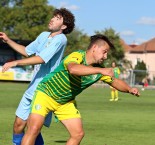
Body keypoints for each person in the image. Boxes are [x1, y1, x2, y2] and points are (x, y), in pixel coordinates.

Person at [21, 34, 140, 145]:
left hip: (64, 102)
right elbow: (73, 69)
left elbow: (115, 81)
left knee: (78, 134)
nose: (106, 56)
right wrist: (100, 71)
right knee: (34, 129)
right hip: (45, 94)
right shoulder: (77, 56)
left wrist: (129, 89)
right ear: (94, 48)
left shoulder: (99, 69)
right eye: (104, 52)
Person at [0, 8, 75, 145]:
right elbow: (26, 51)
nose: (52, 19)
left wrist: (16, 62)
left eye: (57, 18)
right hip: (32, 88)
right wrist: (8, 40)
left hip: (45, 90)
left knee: (32, 128)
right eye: (53, 16)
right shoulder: (43, 35)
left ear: (64, 26)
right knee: (18, 125)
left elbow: (41, 58)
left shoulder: (61, 39)